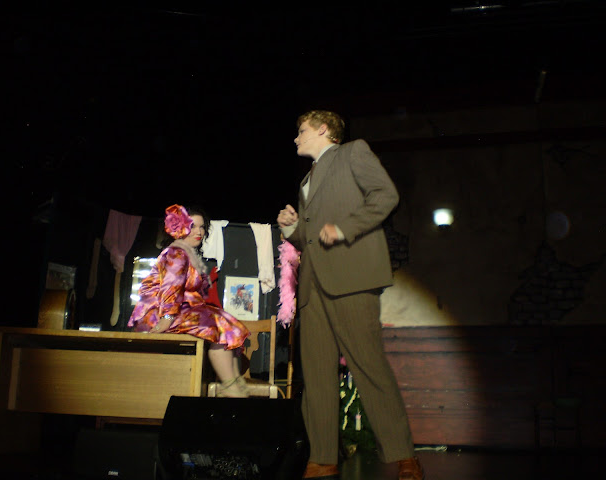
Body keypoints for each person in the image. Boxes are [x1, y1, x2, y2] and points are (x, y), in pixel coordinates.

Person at [277, 110, 424, 479]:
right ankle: (322, 457)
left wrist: (345, 228)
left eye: (301, 131)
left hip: (352, 278)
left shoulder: (353, 152)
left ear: (324, 129)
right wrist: (292, 228)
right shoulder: (307, 178)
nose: (296, 138)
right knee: (317, 377)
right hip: (313, 287)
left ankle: (403, 455)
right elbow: (309, 239)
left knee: (368, 367)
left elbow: (386, 195)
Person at [129, 204, 250, 398]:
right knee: (219, 325)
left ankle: (235, 383)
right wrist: (166, 318)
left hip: (181, 310)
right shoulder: (176, 253)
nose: (199, 232)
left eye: (202, 227)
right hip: (159, 313)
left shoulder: (187, 253)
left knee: (226, 322)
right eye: (193, 226)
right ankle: (230, 386)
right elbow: (171, 288)